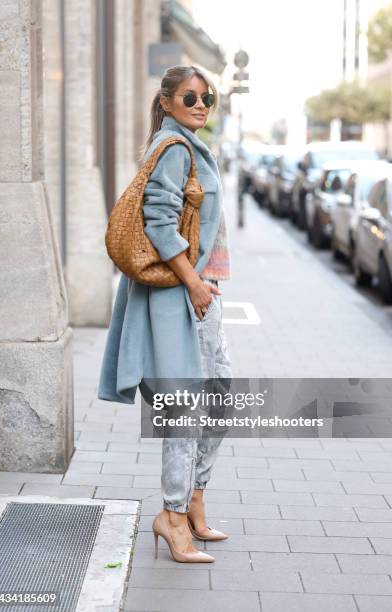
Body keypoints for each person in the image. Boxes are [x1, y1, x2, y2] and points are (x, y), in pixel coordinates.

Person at [97, 65, 233, 563]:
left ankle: (194, 502)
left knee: (218, 396)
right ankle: (173, 519)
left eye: (207, 98)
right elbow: (157, 219)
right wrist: (194, 282)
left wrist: (205, 282)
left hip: (202, 292)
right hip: (183, 294)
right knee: (186, 404)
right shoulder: (173, 149)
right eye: (190, 97)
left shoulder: (191, 147)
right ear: (169, 101)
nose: (200, 105)